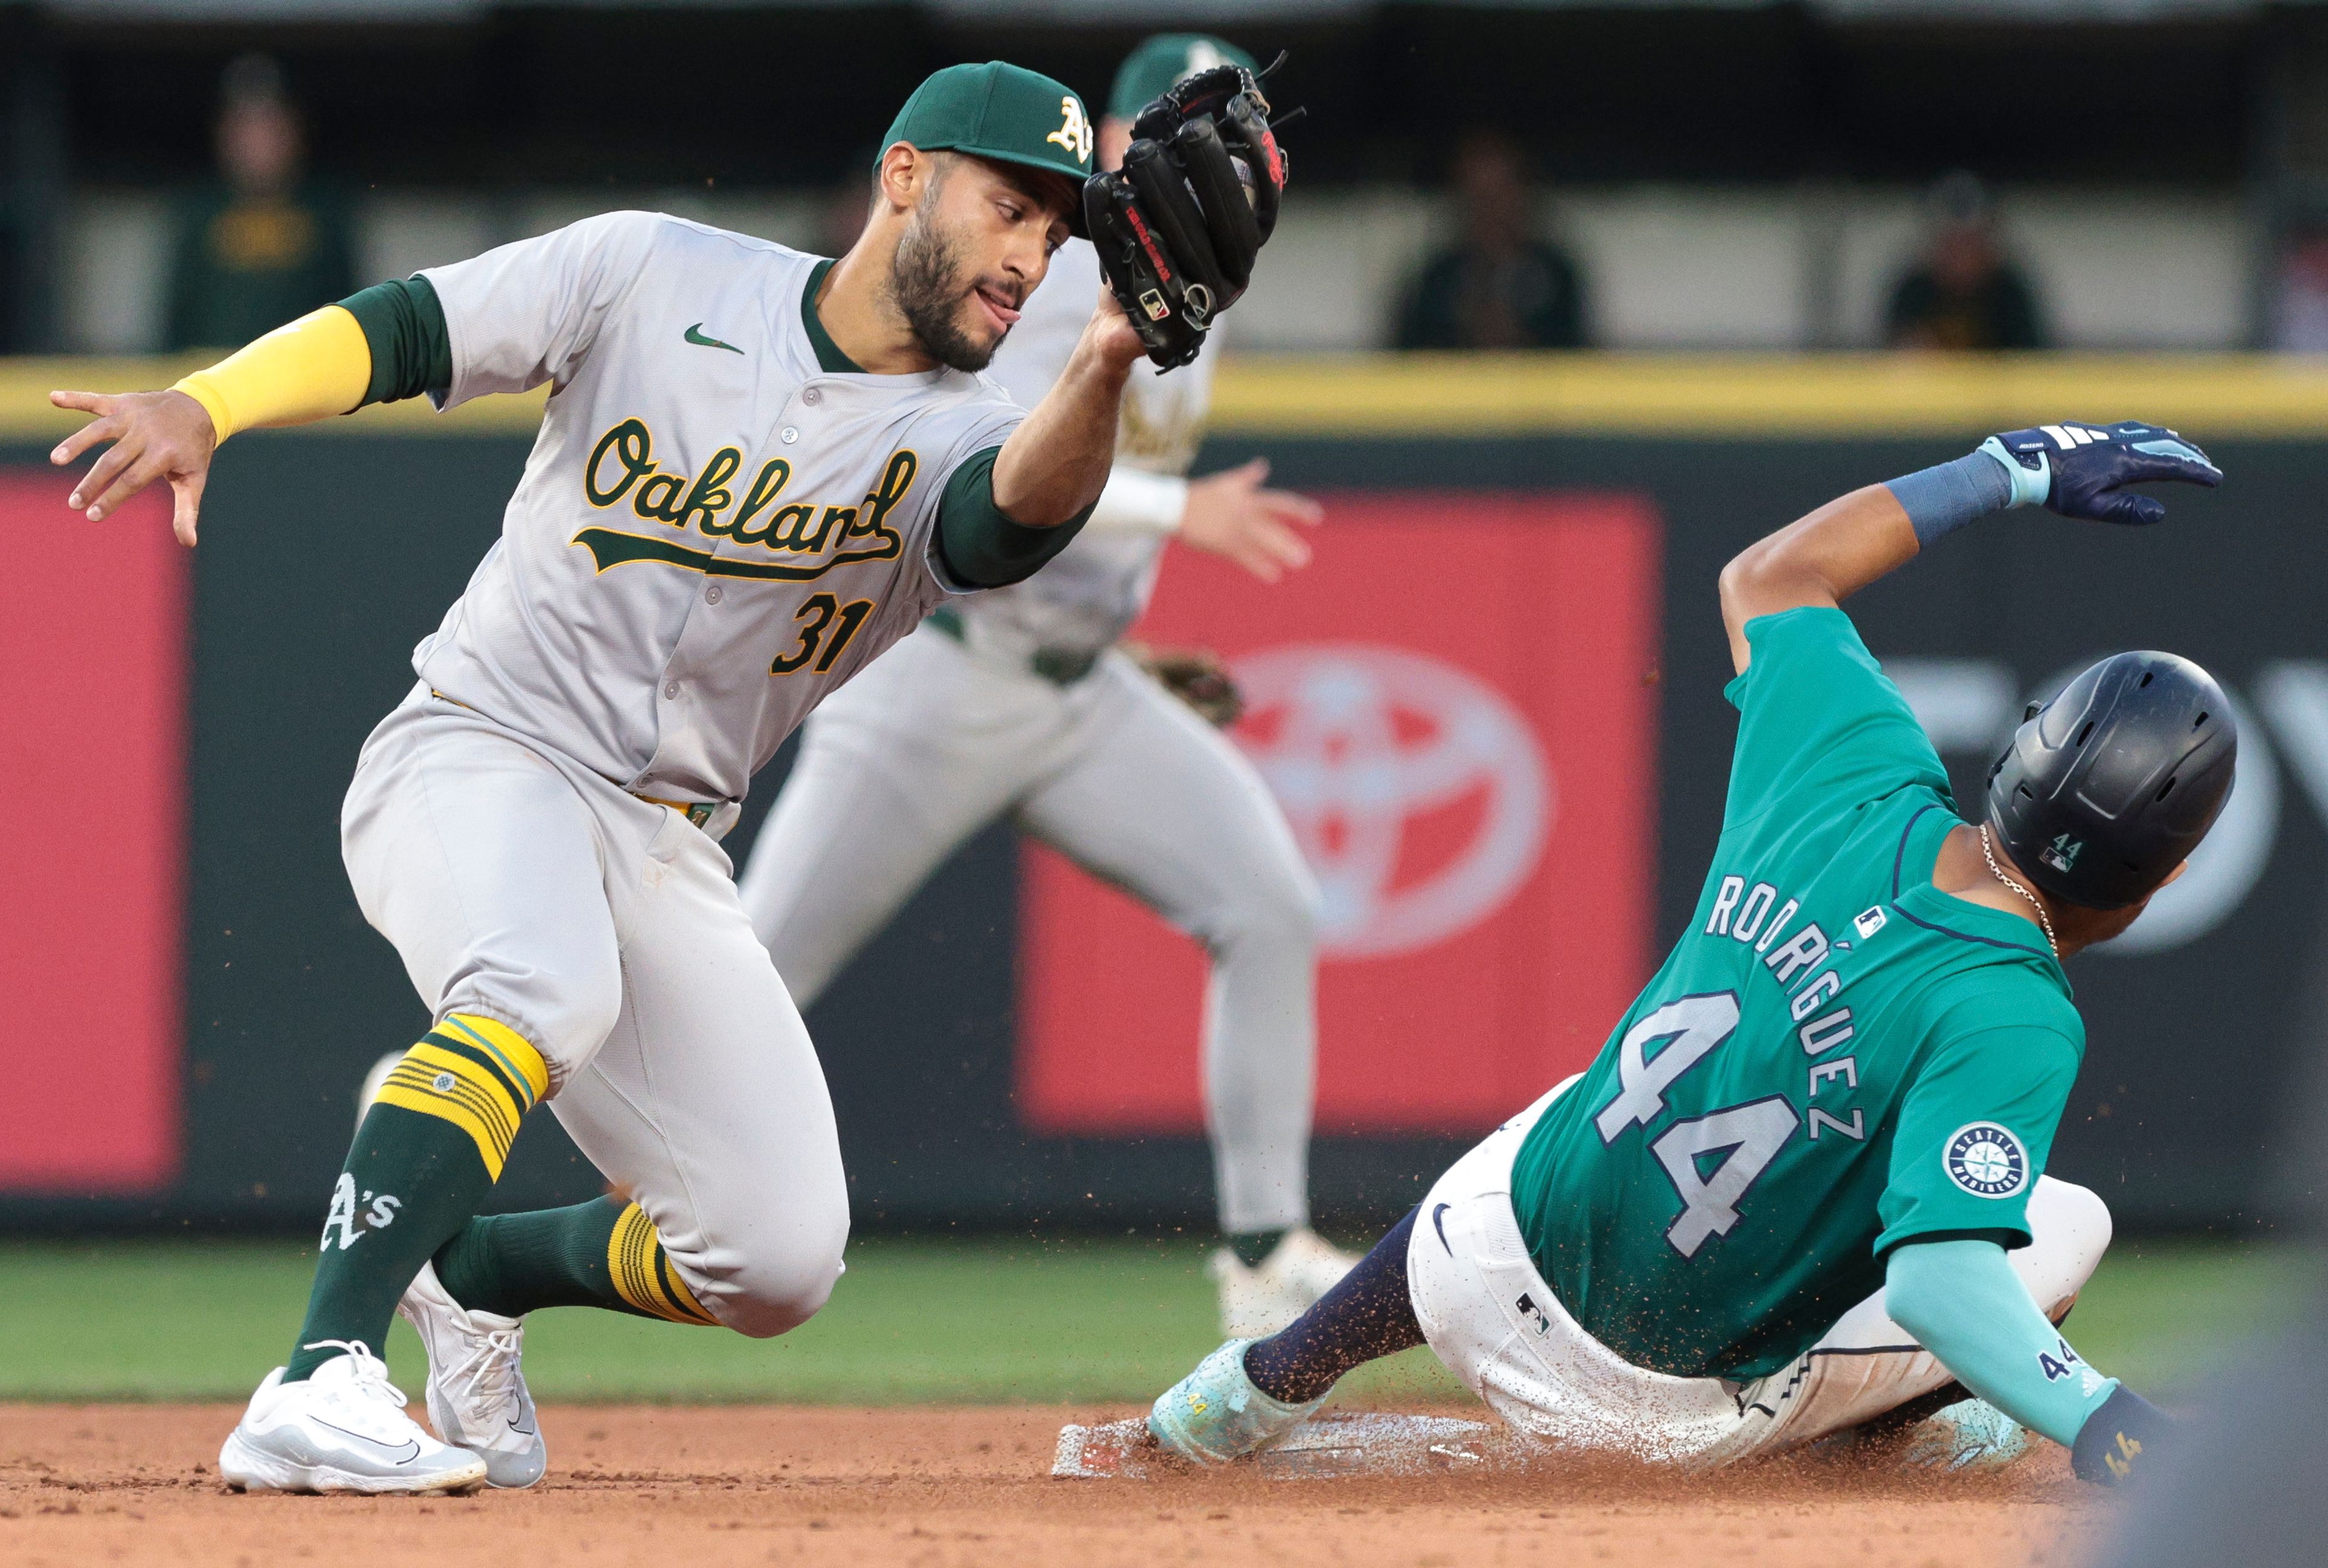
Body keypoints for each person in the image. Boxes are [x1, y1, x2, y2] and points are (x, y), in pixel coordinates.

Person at [47, 61, 1163, 1496]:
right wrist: (212, 402)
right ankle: (318, 1371)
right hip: (483, 743)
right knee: (537, 986)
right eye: (1009, 205)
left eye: (1055, 235)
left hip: (661, 840)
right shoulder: (650, 268)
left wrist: (1106, 359)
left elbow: (1006, 529)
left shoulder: (974, 423)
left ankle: (472, 1267)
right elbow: (412, 329)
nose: (1028, 255)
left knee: (773, 1255)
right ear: (903, 176)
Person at [1142, 418, 2231, 1487]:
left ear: (2018, 753)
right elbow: (1941, 1288)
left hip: (1468, 1269)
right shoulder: (2014, 1010)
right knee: (2055, 1221)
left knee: (1602, 1092)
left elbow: (1770, 578)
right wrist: (2118, 1432)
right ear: (2171, 874)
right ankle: (1882, 1445)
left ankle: (1256, 1383)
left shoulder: (1855, 769)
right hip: (1654, 1418)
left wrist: (2006, 472)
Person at [735, 33, 1351, 1340]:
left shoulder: (1204, 286)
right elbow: (989, 469)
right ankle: (457, 1098)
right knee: (742, 985)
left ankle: (1262, 1247)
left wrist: (1129, 652)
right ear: (1122, 144)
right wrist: (1182, 512)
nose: (1218, 176)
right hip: (939, 678)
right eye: (1183, 144)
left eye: (1236, 152)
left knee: (1269, 903)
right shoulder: (1060, 274)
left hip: (1077, 689)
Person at [163, 54, 356, 353]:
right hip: (213, 386)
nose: (257, 141)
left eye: (270, 125)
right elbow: (176, 319)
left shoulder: (324, 211)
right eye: (244, 127)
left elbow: (350, 315)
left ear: (294, 130)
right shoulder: (200, 211)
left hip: (303, 385)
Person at [1394, 130, 1585, 351]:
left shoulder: (1556, 275)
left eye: (1500, 195)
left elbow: (1578, 354)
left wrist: (1518, 339)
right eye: (1479, 197)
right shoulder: (1436, 280)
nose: (1490, 210)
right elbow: (1405, 359)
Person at [1883, 172, 2046, 352]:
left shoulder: (2010, 295)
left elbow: (2029, 360)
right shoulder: (1913, 292)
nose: (1961, 255)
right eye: (1952, 244)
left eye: (1971, 242)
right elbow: (1893, 357)